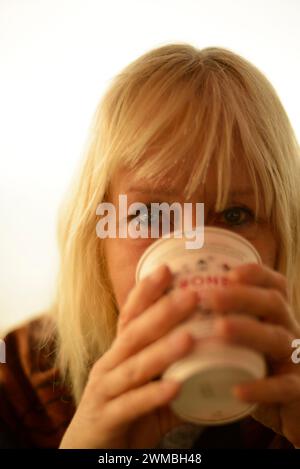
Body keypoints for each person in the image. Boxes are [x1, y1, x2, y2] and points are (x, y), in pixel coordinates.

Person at [0, 43, 300, 449]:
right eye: (152, 215)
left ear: (284, 240)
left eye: (234, 216)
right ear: (97, 235)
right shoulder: (14, 381)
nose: (192, 245)